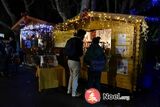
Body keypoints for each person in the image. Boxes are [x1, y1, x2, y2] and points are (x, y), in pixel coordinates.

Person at [65, 29, 86, 97]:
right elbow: (80, 53)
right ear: (82, 35)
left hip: (69, 60)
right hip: (75, 61)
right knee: (75, 77)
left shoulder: (70, 40)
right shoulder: (79, 41)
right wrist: (82, 63)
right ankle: (74, 93)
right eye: (84, 35)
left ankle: (69, 90)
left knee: (71, 76)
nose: (84, 37)